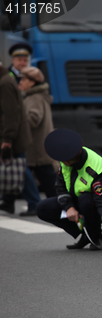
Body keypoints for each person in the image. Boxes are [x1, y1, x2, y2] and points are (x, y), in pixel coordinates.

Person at [36, 129, 102, 252]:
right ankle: (85, 234)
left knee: (85, 199)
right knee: (42, 208)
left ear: (74, 156)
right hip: (78, 200)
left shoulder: (97, 169)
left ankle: (95, 237)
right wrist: (69, 207)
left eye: (65, 161)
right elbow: (61, 188)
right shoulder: (66, 160)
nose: (62, 162)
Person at [18, 66, 57, 207]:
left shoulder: (34, 98)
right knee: (42, 177)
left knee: (45, 178)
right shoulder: (35, 96)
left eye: (24, 79)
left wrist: (19, 123)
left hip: (37, 147)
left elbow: (34, 118)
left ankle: (58, 206)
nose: (21, 82)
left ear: (32, 82)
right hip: (38, 147)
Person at [0, 58, 32, 214]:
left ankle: (34, 202)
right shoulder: (6, 79)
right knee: (11, 167)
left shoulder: (5, 83)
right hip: (13, 132)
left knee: (18, 169)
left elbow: (10, 113)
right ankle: (8, 201)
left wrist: (7, 139)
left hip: (13, 134)